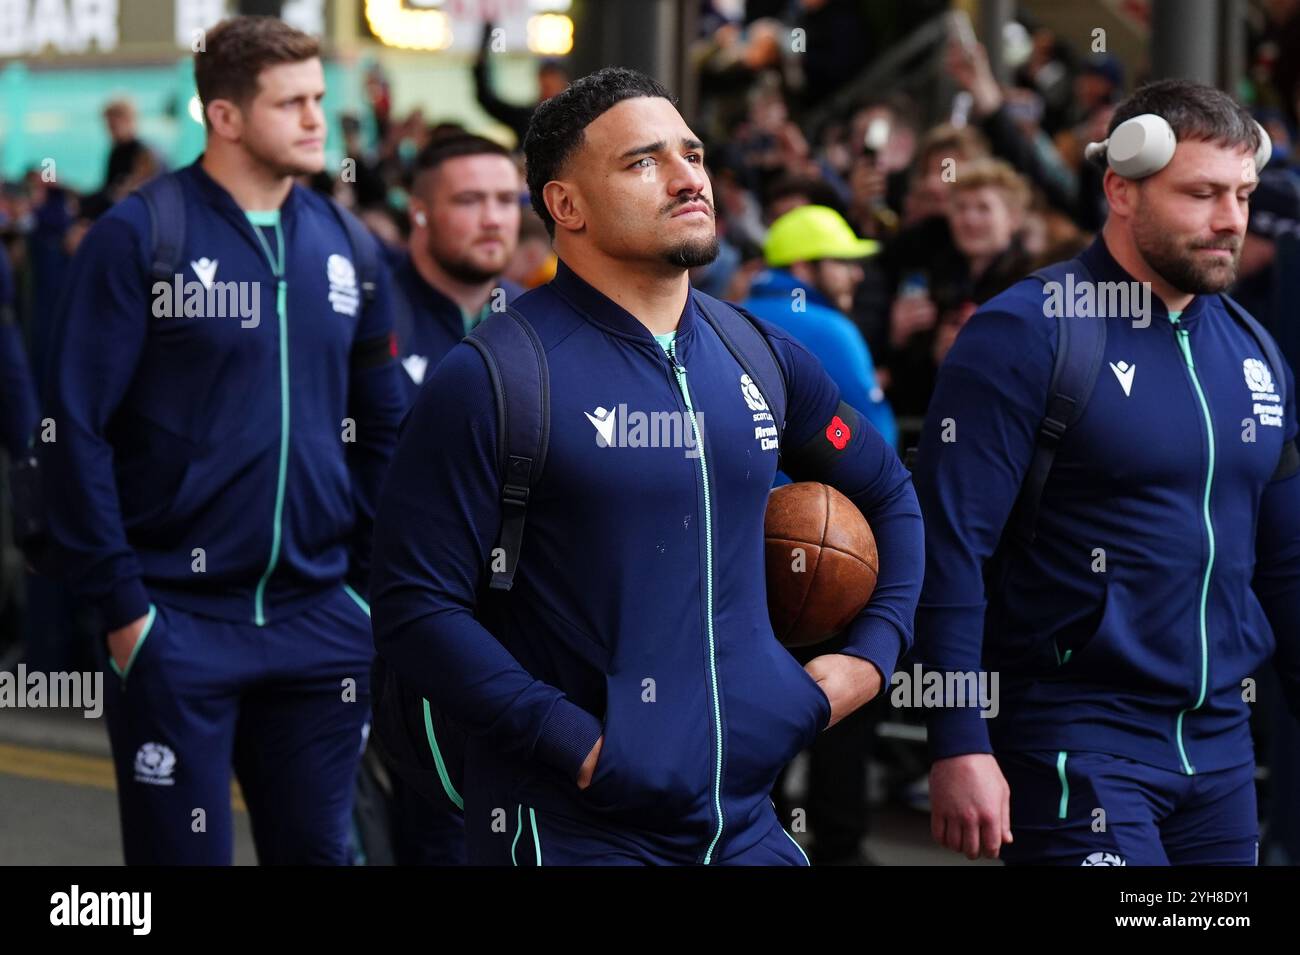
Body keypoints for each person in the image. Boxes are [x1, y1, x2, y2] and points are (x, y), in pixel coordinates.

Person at [370, 67, 924, 865]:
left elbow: (890, 491)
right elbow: (416, 607)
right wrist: (576, 742)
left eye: (691, 153)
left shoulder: (758, 351)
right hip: (574, 827)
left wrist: (870, 656)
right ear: (566, 205)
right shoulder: (495, 375)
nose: (687, 176)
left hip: (747, 822)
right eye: (642, 162)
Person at [38, 15, 405, 865]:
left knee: (321, 856)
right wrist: (128, 610)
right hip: (178, 621)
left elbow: (383, 430)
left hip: (323, 623)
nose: (318, 118)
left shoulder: (350, 246)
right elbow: (72, 426)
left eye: (319, 97)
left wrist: (366, 590)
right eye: (293, 103)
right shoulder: (142, 235)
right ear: (227, 117)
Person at [913, 79, 1300, 865]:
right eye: (1201, 193)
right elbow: (949, 549)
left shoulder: (1255, 351)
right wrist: (956, 738)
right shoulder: (1026, 333)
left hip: (1221, 750)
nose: (1231, 220)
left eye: (1243, 194)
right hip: (1072, 738)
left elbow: (1287, 564)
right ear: (1120, 188)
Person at [741, 204, 896, 450]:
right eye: (842, 261)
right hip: (812, 487)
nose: (857, 274)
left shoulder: (727, 316)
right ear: (802, 268)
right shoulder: (832, 331)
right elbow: (876, 438)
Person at [392, 135, 524, 400]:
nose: (493, 220)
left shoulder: (533, 318)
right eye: (469, 200)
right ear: (419, 212)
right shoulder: (372, 312)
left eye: (507, 200)